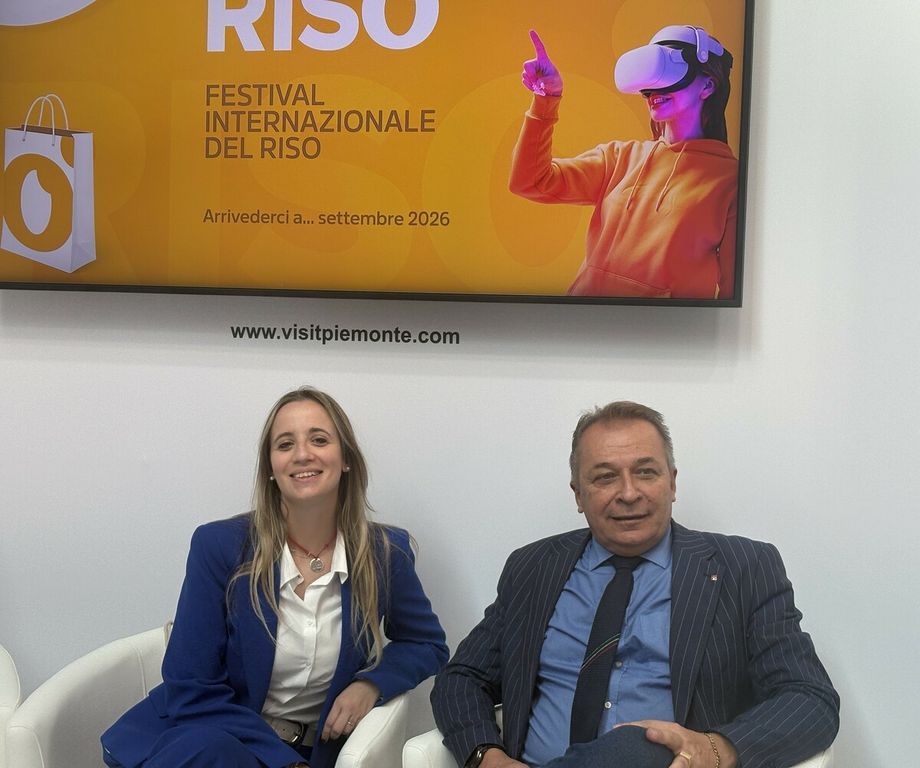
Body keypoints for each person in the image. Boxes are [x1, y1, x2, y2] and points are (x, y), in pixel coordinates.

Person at [431, 401, 839, 768]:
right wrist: (487, 756)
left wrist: (714, 748)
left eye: (645, 472)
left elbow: (809, 698)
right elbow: (462, 678)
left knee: (637, 746)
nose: (628, 493)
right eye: (605, 477)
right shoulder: (533, 568)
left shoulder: (743, 567)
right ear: (578, 495)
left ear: (672, 483)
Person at [101, 386, 449, 768]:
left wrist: (372, 684)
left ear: (346, 458)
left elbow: (425, 642)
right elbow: (191, 687)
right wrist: (283, 762)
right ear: (270, 467)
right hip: (212, 737)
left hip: (310, 751)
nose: (302, 454)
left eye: (319, 439)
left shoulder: (384, 552)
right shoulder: (219, 547)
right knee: (210, 749)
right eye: (285, 444)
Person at [510, 26, 738, 300]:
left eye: (668, 74)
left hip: (660, 328)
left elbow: (732, 293)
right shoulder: (619, 157)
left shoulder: (731, 182)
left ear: (708, 86)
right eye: (651, 79)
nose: (653, 90)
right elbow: (529, 181)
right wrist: (546, 99)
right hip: (579, 320)